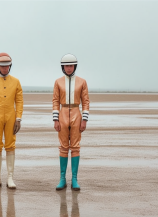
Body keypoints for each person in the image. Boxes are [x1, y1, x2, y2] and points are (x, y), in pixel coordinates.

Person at [0, 52, 23, 189]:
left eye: (7, 66)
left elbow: (19, 101)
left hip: (11, 115)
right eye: (2, 67)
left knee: (10, 144)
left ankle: (10, 177)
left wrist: (18, 118)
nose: (5, 69)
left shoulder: (16, 82)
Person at [53, 54, 90, 191]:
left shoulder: (82, 82)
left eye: (71, 65)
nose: (69, 68)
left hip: (76, 113)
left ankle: (74, 178)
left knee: (75, 146)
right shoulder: (58, 82)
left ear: (75, 66)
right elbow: (55, 101)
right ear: (63, 67)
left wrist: (84, 119)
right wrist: (55, 119)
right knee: (63, 146)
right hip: (63, 113)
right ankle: (62, 178)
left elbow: (85, 101)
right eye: (66, 66)